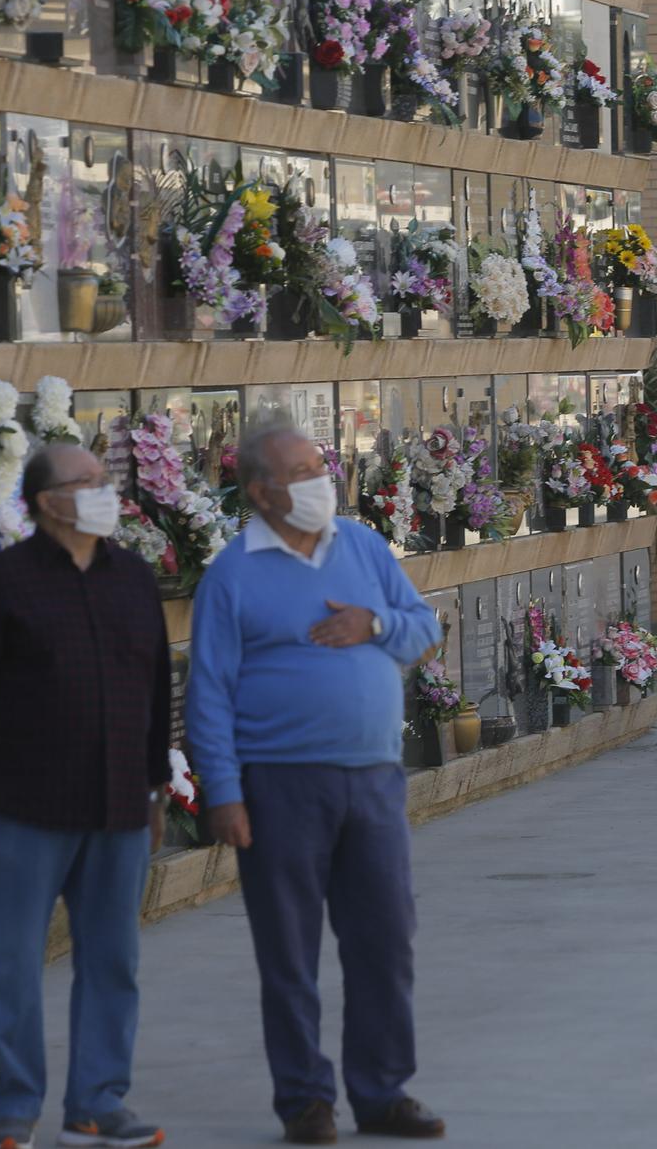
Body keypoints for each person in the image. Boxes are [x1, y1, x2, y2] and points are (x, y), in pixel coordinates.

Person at [187, 423, 446, 1145]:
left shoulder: (361, 545)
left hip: (372, 780)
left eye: (319, 465)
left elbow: (424, 629)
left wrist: (375, 623)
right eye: (300, 470)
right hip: (278, 786)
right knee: (289, 951)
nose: (318, 478)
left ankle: (382, 1090)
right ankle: (306, 1099)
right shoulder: (232, 574)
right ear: (261, 491)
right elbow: (208, 692)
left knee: (386, 940)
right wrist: (224, 792)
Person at [0, 444, 171, 1149]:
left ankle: (98, 1102)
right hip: (24, 809)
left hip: (118, 806)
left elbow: (159, 686)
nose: (105, 490)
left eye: (107, 480)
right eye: (88, 482)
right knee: (13, 961)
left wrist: (158, 786)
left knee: (113, 960)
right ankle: (16, 1106)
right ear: (47, 501)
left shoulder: (132, 576)